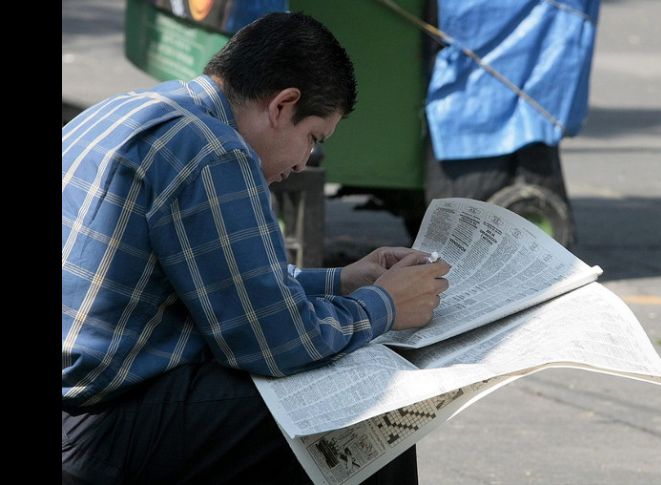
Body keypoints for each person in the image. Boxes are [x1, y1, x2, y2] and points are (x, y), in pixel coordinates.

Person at [62, 12, 450, 484]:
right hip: (96, 425)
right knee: (370, 416)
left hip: (86, 403)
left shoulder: (131, 109)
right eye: (313, 139)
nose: (304, 162)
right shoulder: (213, 150)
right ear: (283, 105)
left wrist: (344, 281)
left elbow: (227, 283)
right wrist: (384, 307)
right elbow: (276, 342)